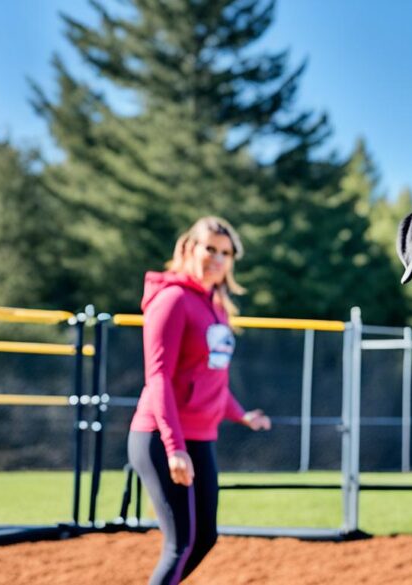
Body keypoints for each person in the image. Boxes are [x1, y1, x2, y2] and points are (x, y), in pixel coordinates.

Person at [128, 216, 272, 584]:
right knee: (182, 544)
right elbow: (157, 377)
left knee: (204, 538)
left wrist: (241, 416)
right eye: (210, 248)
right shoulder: (173, 299)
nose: (217, 258)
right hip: (162, 438)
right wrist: (175, 447)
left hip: (200, 437)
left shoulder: (216, 307)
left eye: (225, 253)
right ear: (189, 248)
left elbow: (211, 382)